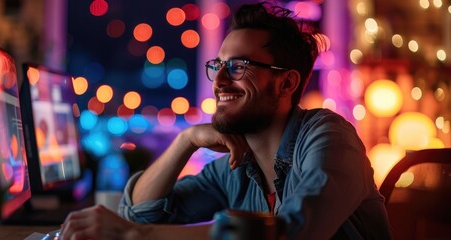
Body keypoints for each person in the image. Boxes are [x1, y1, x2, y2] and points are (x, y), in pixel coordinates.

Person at [61, 2, 392, 239]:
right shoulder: (236, 166)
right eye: (217, 65)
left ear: (287, 83)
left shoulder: (329, 136)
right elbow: (142, 212)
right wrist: (185, 140)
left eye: (238, 66)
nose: (218, 81)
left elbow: (294, 231)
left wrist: (135, 235)